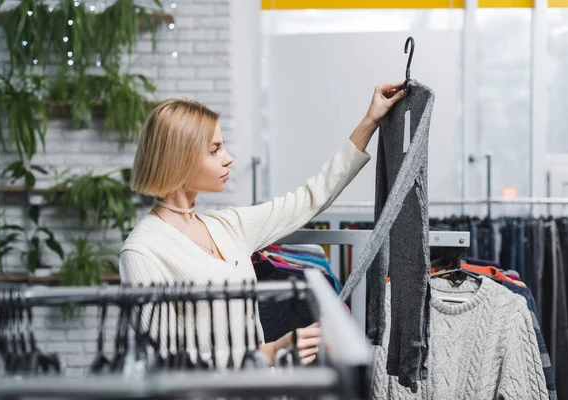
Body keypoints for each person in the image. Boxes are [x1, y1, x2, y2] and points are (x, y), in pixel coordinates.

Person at [119, 82, 406, 368]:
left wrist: (371, 121)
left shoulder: (227, 226)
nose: (228, 158)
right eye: (215, 150)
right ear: (179, 159)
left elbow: (309, 198)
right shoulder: (143, 251)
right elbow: (164, 363)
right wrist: (267, 353)